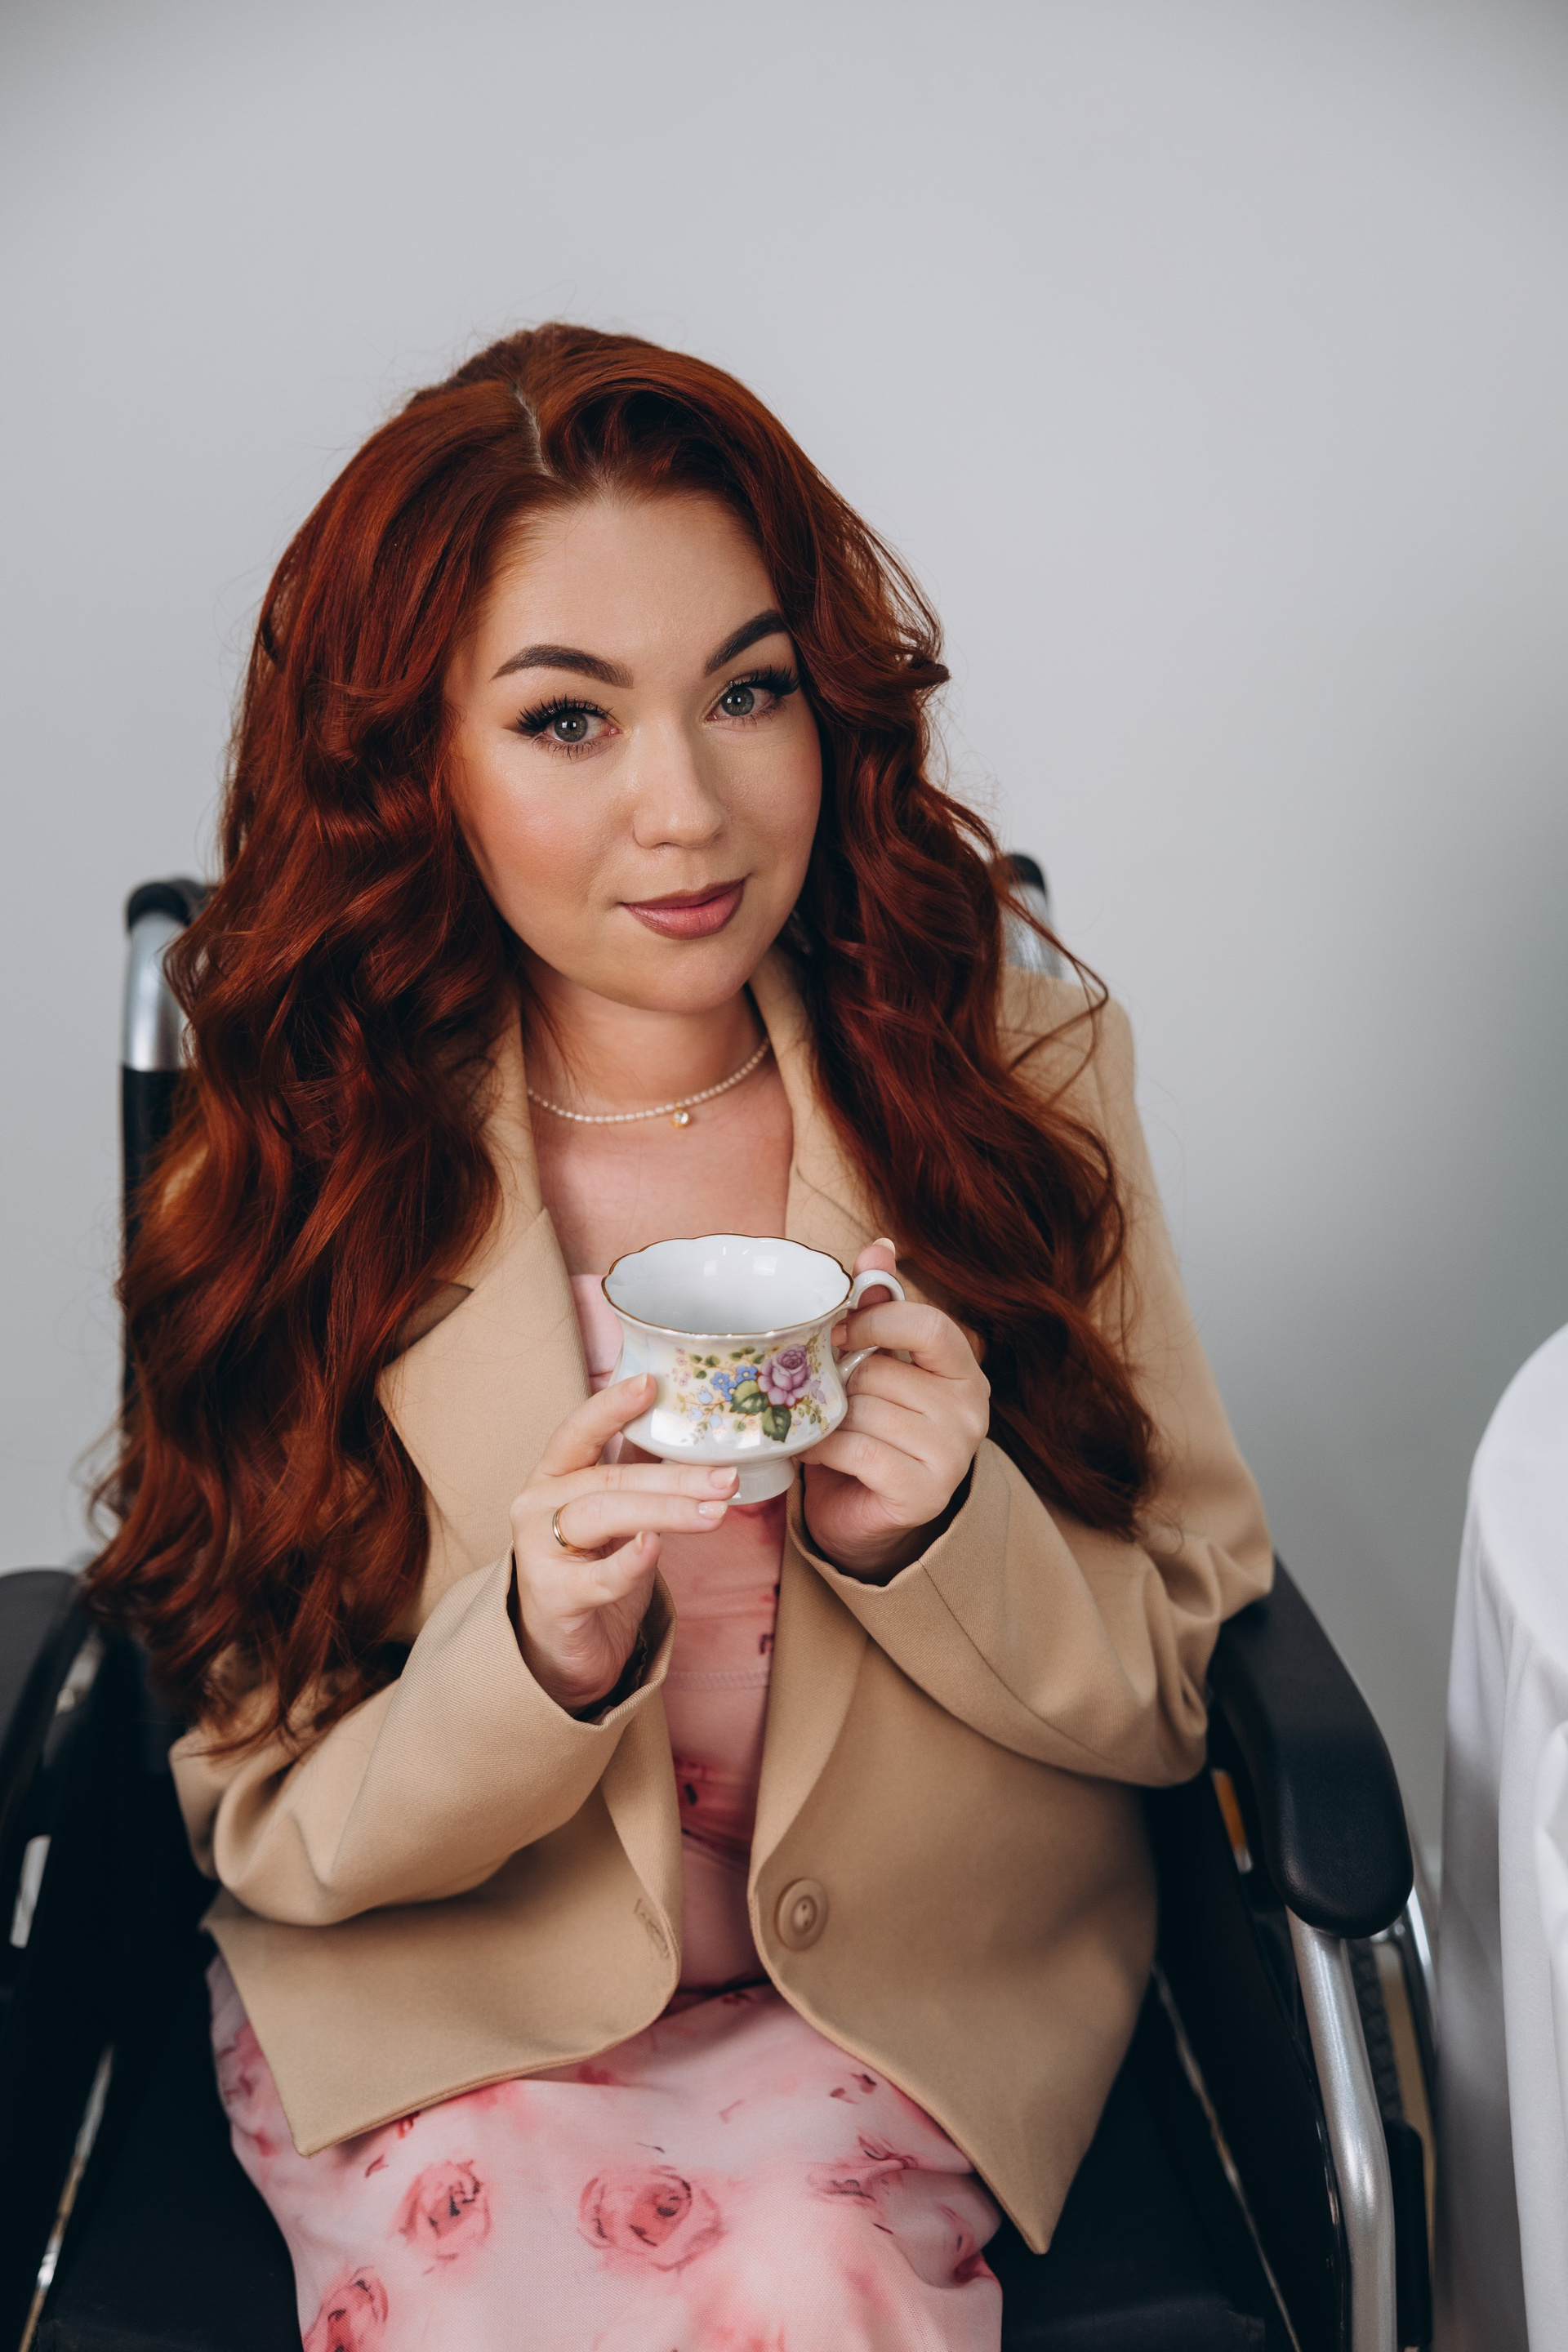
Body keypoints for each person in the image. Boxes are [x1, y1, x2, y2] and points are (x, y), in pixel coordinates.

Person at [88, 323, 1272, 2352]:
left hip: (891, 2020)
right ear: (416, 766)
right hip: (458, 2016)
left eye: (749, 691)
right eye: (567, 720)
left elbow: (1182, 1679)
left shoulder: (1022, 1078)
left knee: (801, 2293)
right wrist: (536, 1659)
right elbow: (256, 1807)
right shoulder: (302, 1149)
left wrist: (941, 1540)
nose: (689, 809)